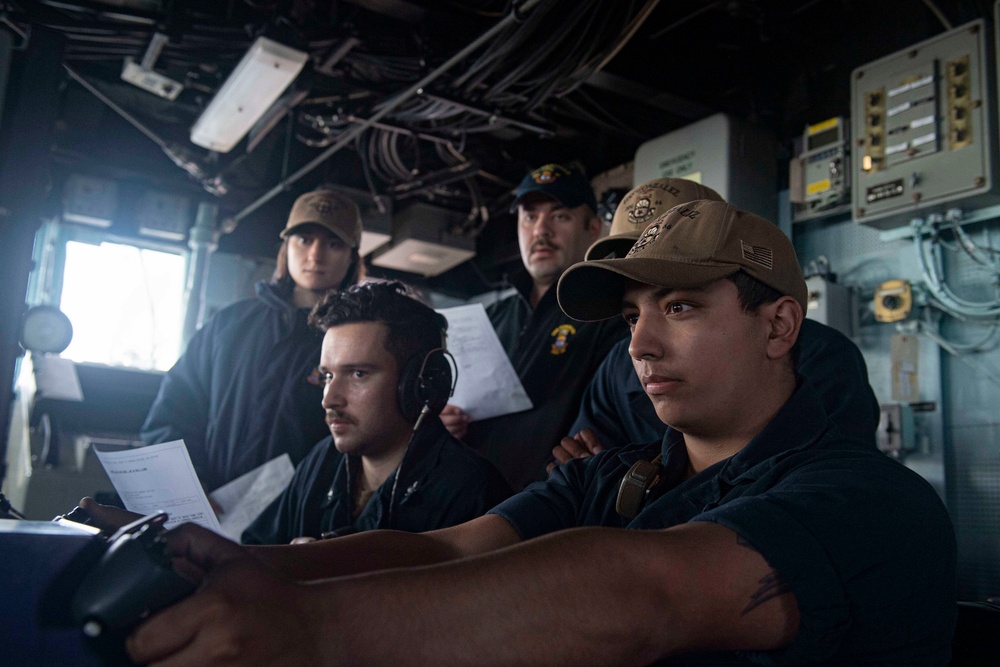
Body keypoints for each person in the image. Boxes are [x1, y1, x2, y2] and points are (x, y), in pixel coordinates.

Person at [118, 200, 956, 666]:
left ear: (780, 326)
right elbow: (451, 551)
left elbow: (641, 595)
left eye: (684, 306)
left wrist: (309, 628)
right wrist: (251, 566)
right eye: (633, 313)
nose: (641, 342)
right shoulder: (616, 477)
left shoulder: (867, 501)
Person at [553, 178, 881, 468]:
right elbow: (577, 471)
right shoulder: (618, 365)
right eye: (627, 260)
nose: (643, 267)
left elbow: (827, 486)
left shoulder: (819, 355)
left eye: (672, 243)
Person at [242, 281, 510, 545]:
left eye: (358, 374)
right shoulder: (322, 461)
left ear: (421, 383)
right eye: (327, 376)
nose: (329, 399)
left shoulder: (473, 493)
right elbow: (254, 548)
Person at [140, 189, 363, 493]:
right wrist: (191, 484)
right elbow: (171, 414)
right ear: (286, 247)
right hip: (213, 509)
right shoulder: (229, 325)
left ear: (352, 257)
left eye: (334, 243)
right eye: (304, 240)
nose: (315, 255)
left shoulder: (359, 341)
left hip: (303, 522)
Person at [442, 163, 628, 490]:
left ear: (594, 228)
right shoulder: (489, 319)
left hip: (553, 509)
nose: (541, 230)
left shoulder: (610, 314)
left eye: (559, 216)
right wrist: (446, 423)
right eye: (529, 217)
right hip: (470, 503)